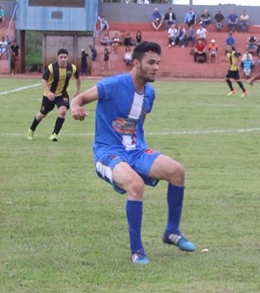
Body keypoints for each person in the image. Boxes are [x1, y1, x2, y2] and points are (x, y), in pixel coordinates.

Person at [68, 41, 195, 265]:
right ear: (136, 63)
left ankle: (172, 231)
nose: (156, 67)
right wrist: (75, 108)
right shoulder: (113, 85)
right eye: (151, 62)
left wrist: (142, 148)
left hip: (136, 151)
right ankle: (137, 250)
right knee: (135, 186)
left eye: (158, 62)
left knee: (177, 171)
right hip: (108, 153)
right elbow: (78, 99)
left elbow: (138, 124)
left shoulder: (150, 94)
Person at [27, 48, 81, 142]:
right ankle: (31, 129)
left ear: (68, 58)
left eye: (65, 57)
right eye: (61, 57)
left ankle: (54, 134)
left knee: (63, 111)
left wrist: (78, 91)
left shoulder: (72, 68)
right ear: (57, 57)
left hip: (62, 94)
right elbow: (44, 80)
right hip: (49, 95)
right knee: (42, 114)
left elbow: (78, 79)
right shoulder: (51, 68)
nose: (63, 59)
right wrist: (48, 92)